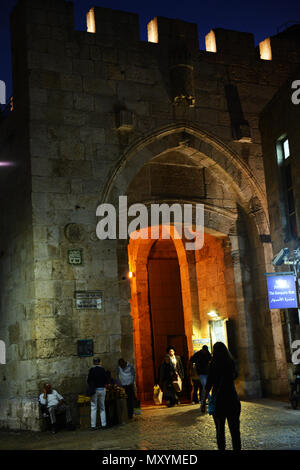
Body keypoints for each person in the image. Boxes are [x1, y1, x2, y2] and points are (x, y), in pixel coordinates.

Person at [201, 342, 241, 451]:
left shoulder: (213, 364)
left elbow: (208, 384)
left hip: (219, 401)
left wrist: (203, 401)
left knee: (220, 430)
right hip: (232, 398)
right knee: (235, 431)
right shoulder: (231, 362)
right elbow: (235, 375)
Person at [87, 358, 108, 430]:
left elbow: (88, 380)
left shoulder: (92, 370)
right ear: (100, 362)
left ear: (93, 363)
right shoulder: (102, 370)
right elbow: (106, 380)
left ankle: (93, 425)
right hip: (102, 390)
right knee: (102, 407)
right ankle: (104, 424)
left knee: (93, 408)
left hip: (94, 390)